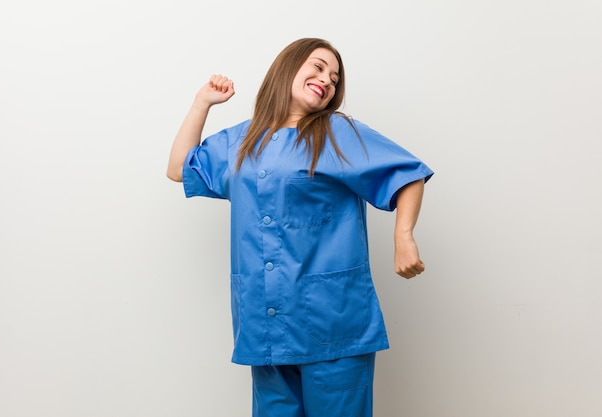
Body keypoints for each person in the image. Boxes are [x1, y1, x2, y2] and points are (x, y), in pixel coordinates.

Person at [166, 38, 433, 417]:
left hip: (333, 322)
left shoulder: (337, 133)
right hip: (265, 324)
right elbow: (179, 168)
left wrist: (403, 236)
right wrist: (202, 103)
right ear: (288, 67)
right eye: (319, 66)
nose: (327, 80)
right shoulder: (240, 141)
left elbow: (407, 175)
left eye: (335, 79)